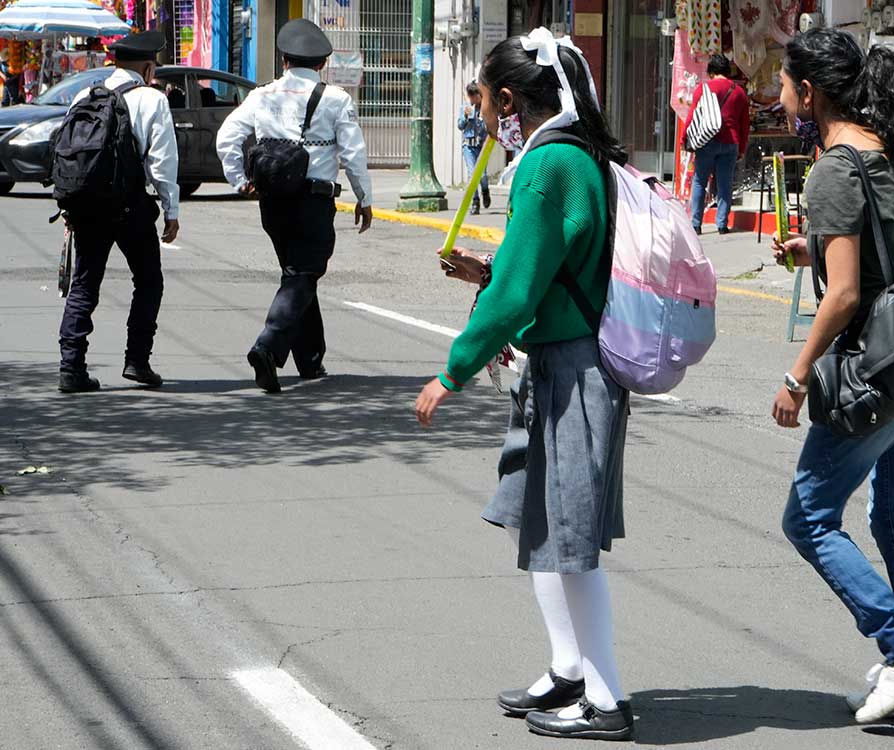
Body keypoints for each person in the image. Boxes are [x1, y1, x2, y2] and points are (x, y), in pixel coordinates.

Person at [414, 29, 636, 742]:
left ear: (508, 100)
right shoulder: (579, 157)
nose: (481, 114)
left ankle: (606, 702)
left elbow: (518, 293)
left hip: (572, 368)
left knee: (566, 538)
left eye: (481, 100)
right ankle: (568, 667)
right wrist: (491, 273)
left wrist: (452, 369)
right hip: (565, 361)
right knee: (541, 526)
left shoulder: (549, 166)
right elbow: (542, 267)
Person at [771, 29, 894, 725]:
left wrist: (795, 379)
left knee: (809, 517)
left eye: (786, 81)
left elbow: (844, 295)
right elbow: (892, 248)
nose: (779, 92)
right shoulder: (891, 151)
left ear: (809, 91)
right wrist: (812, 245)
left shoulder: (834, 166)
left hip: (885, 357)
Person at [215, 18, 373, 393]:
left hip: (272, 201)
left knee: (298, 274)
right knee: (303, 274)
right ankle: (267, 346)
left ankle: (309, 359)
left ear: (284, 60)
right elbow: (353, 154)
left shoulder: (261, 94)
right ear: (321, 65)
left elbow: (227, 137)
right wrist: (364, 198)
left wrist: (239, 179)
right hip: (313, 200)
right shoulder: (335, 99)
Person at [56, 31, 180, 393]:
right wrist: (171, 210)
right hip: (128, 205)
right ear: (147, 66)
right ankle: (137, 361)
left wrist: (69, 201)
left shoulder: (84, 96)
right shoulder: (151, 99)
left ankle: (71, 367)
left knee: (84, 284)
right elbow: (161, 162)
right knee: (148, 280)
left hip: (87, 205)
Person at [683, 53, 750, 235]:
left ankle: (696, 224)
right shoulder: (739, 93)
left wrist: (686, 139)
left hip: (706, 141)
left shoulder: (703, 89)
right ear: (727, 72)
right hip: (731, 143)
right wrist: (741, 148)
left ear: (711, 72)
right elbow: (745, 125)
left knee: (699, 181)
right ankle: (722, 224)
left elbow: (692, 117)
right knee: (725, 184)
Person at [458, 81, 492, 215]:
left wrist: (483, 118)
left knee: (482, 175)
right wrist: (466, 116)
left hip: (481, 146)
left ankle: (485, 190)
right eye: (470, 96)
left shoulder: (485, 108)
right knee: (472, 175)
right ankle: (475, 202)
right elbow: (460, 126)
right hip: (468, 146)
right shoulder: (465, 107)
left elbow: (489, 127)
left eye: (475, 95)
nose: (473, 99)